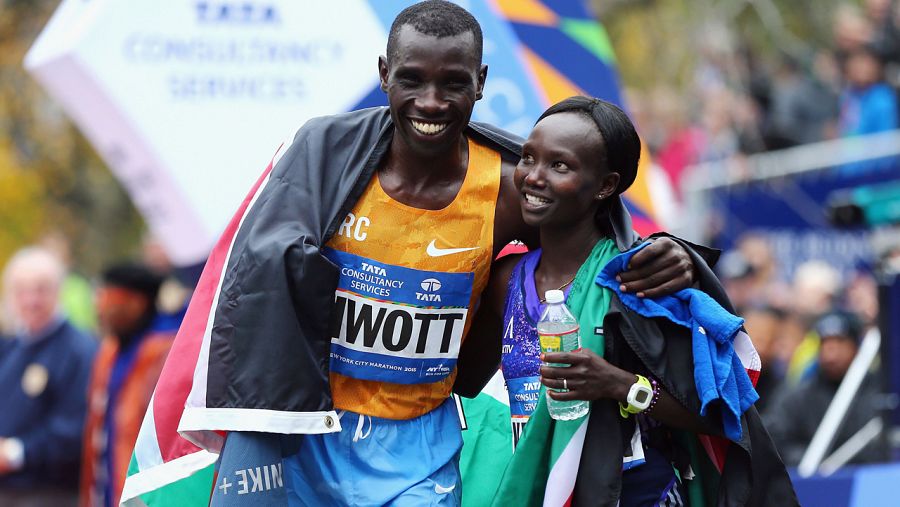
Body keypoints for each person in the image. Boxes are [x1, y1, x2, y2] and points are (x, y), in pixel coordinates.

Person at [123, 2, 714, 505]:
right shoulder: (326, 162)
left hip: (419, 449)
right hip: (307, 436)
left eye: (454, 83)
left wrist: (675, 259)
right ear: (385, 75)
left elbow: (594, 243)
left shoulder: (510, 189)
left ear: (480, 81)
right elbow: (248, 275)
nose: (432, 103)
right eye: (412, 80)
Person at [466, 97, 795, 505]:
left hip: (634, 493)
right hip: (542, 490)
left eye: (560, 166)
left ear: (606, 185)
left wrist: (618, 385)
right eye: (529, 158)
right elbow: (462, 382)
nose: (534, 176)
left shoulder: (637, 277)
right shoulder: (506, 279)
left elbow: (719, 414)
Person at [0, 247, 97, 506]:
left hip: (50, 493)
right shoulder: (11, 346)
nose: (31, 300)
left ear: (58, 291)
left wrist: (14, 452)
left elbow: (75, 428)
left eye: (41, 289)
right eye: (21, 290)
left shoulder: (80, 351)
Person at [80, 263, 177, 507]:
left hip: (147, 491)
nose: (100, 309)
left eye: (108, 299)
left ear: (136, 303)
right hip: (105, 486)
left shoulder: (168, 352)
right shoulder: (109, 351)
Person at [765, 310, 885, 466]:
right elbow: (775, 440)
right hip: (814, 483)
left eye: (840, 342)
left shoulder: (879, 392)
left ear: (856, 347)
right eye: (825, 343)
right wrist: (810, 462)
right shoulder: (798, 396)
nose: (831, 354)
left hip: (868, 480)